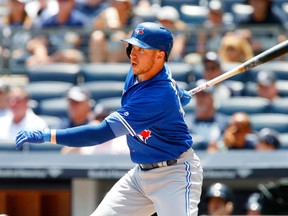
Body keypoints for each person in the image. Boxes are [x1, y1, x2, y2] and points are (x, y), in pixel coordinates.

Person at [16, 22, 203, 216]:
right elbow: (165, 87)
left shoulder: (158, 96)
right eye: (133, 47)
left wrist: (48, 135)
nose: (133, 54)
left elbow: (100, 133)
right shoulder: (141, 72)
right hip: (141, 175)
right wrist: (178, 94)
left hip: (175, 174)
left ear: (160, 55)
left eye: (142, 50)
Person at [184, 79, 229, 150]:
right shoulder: (185, 123)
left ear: (213, 97)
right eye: (198, 95)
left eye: (203, 95)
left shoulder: (225, 123)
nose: (200, 99)